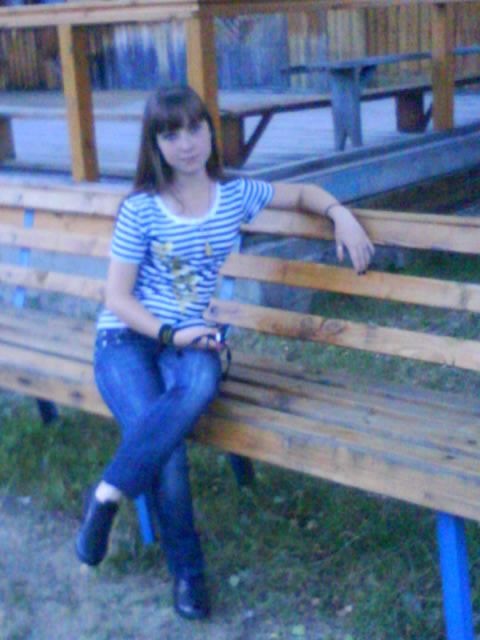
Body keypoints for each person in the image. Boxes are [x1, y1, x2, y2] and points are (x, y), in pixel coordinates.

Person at [75, 85, 375, 620]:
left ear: (210, 132)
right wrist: (172, 334)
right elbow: (117, 298)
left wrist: (340, 214)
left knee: (199, 383)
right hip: (127, 338)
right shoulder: (141, 209)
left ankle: (105, 494)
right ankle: (188, 574)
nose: (187, 143)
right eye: (171, 134)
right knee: (166, 448)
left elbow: (302, 194)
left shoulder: (233, 195)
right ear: (155, 144)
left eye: (195, 128)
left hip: (195, 339)